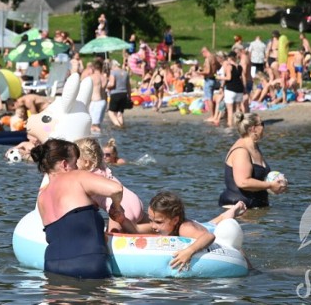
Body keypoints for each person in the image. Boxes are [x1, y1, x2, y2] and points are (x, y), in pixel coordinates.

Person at [32, 138, 124, 279]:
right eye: (75, 163)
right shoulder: (76, 176)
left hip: (52, 266)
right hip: (87, 264)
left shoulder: (42, 197)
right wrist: (116, 207)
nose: (77, 168)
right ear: (64, 164)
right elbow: (116, 189)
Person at [111, 191, 246, 271]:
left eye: (158, 221)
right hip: (201, 225)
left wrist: (189, 251)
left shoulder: (184, 228)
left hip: (207, 230)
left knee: (220, 224)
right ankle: (231, 211)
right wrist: (122, 219)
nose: (152, 225)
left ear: (175, 220)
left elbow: (209, 236)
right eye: (151, 219)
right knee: (212, 221)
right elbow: (136, 230)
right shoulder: (160, 227)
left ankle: (233, 210)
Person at [75, 137, 147, 231]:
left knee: (111, 238)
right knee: (150, 227)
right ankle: (152, 230)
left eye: (75, 158)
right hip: (135, 201)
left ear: (86, 163)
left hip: (119, 209)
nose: (72, 161)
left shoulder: (86, 177)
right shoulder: (103, 169)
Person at [219, 112, 287, 208]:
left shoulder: (254, 147)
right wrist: (270, 185)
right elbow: (243, 182)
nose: (264, 127)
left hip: (254, 207)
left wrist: (277, 183)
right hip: (237, 208)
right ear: (253, 129)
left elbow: (259, 178)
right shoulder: (241, 151)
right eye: (262, 124)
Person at [216, 51, 244, 128]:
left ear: (229, 58)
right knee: (238, 108)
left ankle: (230, 125)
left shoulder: (229, 66)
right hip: (239, 89)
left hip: (231, 89)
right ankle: (239, 124)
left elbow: (228, 78)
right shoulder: (239, 66)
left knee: (230, 109)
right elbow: (241, 78)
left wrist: (219, 77)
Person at [107, 59, 131, 128]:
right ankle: (121, 125)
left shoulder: (113, 72)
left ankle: (118, 126)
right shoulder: (125, 73)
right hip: (124, 94)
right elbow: (128, 86)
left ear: (113, 66)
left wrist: (107, 86)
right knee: (119, 113)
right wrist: (129, 96)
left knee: (110, 112)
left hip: (115, 94)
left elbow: (112, 84)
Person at [86, 59, 107, 133]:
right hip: (102, 101)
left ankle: (96, 140)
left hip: (95, 102)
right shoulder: (104, 77)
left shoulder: (91, 77)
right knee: (97, 125)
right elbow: (103, 89)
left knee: (93, 126)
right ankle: (99, 140)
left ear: (94, 68)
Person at [199, 46, 219, 115]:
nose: (202, 55)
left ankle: (212, 115)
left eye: (202, 53)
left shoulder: (207, 59)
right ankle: (214, 113)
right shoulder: (214, 57)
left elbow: (207, 71)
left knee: (209, 98)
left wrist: (199, 72)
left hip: (208, 79)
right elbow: (219, 67)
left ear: (204, 51)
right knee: (212, 97)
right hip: (214, 79)